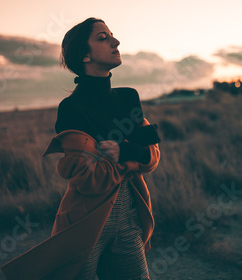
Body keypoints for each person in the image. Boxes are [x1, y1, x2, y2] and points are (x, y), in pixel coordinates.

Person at [52, 17, 161, 279]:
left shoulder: (128, 97)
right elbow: (89, 179)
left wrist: (121, 154)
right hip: (85, 223)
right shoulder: (70, 108)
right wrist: (132, 155)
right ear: (84, 56)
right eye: (102, 38)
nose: (116, 41)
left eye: (112, 35)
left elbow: (152, 158)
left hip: (130, 218)